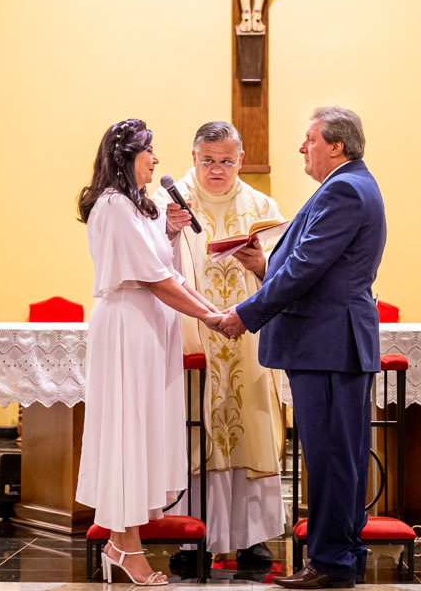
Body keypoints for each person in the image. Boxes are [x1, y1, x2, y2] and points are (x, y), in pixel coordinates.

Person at [219, 106, 386, 589]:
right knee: (339, 454)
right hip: (328, 340)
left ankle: (332, 563)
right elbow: (314, 267)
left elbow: (305, 271)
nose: (302, 148)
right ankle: (343, 557)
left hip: (327, 342)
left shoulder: (343, 190)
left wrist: (244, 314)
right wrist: (265, 264)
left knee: (332, 457)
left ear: (336, 145)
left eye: (310, 139)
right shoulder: (352, 185)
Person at [75, 118, 227, 586]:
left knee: (141, 433)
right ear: (126, 156)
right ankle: (125, 547)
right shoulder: (114, 205)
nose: (157, 160)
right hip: (128, 327)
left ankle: (124, 542)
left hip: (147, 329)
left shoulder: (136, 207)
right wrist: (213, 318)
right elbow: (156, 280)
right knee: (127, 432)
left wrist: (170, 233)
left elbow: (165, 270)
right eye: (149, 150)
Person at [152, 121, 286, 570]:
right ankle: (194, 540)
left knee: (251, 426)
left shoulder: (262, 206)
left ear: (240, 160)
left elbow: (286, 278)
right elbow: (149, 266)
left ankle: (253, 539)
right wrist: (168, 233)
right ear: (193, 157)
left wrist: (262, 263)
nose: (216, 169)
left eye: (226, 161)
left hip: (249, 342)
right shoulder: (170, 204)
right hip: (193, 340)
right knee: (196, 431)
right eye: (207, 160)